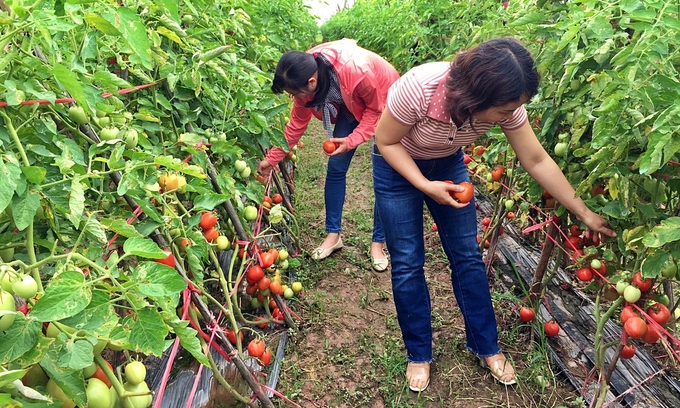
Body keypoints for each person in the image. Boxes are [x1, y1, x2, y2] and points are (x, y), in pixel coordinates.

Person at [372, 38, 616, 391]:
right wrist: (425, 185)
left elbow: (536, 159)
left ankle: (486, 346)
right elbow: (386, 141)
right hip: (397, 166)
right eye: (503, 110)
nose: (510, 116)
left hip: (448, 162)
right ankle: (419, 354)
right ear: (476, 97)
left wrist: (584, 212)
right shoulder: (419, 89)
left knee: (468, 257)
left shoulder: (509, 106)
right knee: (408, 261)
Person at [258, 39, 400, 271]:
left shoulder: (356, 71)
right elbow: (296, 125)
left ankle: (378, 243)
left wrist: (352, 139)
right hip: (351, 102)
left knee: (384, 175)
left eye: (295, 93)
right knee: (336, 168)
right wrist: (271, 159)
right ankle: (333, 236)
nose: (295, 97)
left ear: (312, 82)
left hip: (386, 100)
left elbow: (376, 110)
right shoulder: (302, 71)